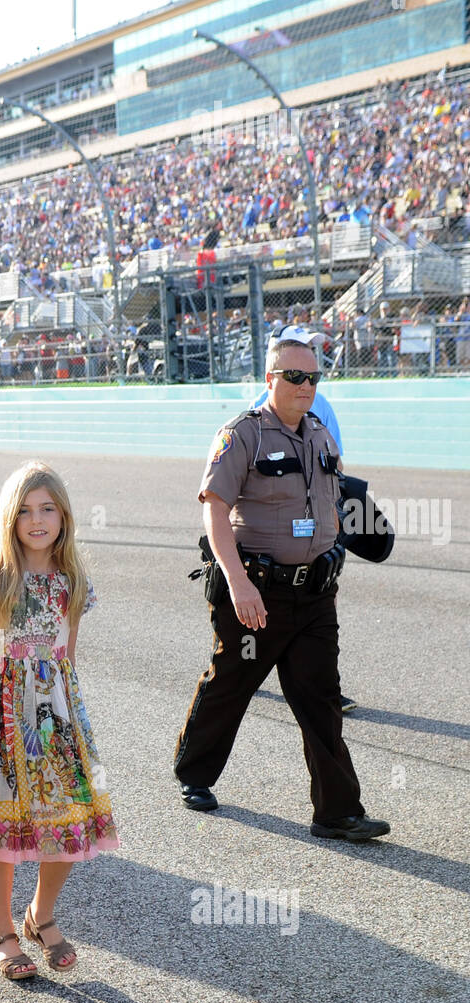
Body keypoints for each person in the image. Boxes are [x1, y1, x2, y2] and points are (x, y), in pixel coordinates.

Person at [174, 337, 390, 843]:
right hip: (256, 593)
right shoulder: (241, 435)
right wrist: (237, 582)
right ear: (270, 380)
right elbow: (214, 512)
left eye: (313, 377)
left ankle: (336, 812)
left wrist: (334, 546)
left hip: (314, 596)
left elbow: (333, 500)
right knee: (231, 684)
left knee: (320, 699)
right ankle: (194, 776)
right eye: (294, 377)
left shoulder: (320, 435)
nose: (306, 386)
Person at [0, 462, 119, 980]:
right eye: (24, 510)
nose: (36, 520)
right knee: (1, 818)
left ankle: (41, 914)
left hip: (55, 710)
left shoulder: (73, 580)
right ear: (8, 518)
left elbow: (70, 652)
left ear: (64, 515)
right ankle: (2, 928)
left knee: (67, 814)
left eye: (47, 509)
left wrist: (68, 709)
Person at [249, 326, 356, 712]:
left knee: (314, 615)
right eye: (295, 372)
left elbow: (334, 460)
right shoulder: (255, 415)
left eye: (311, 366)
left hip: (312, 537)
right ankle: (244, 670)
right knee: (257, 626)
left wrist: (334, 517)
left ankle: (325, 689)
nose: (305, 380)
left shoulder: (316, 401)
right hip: (268, 550)